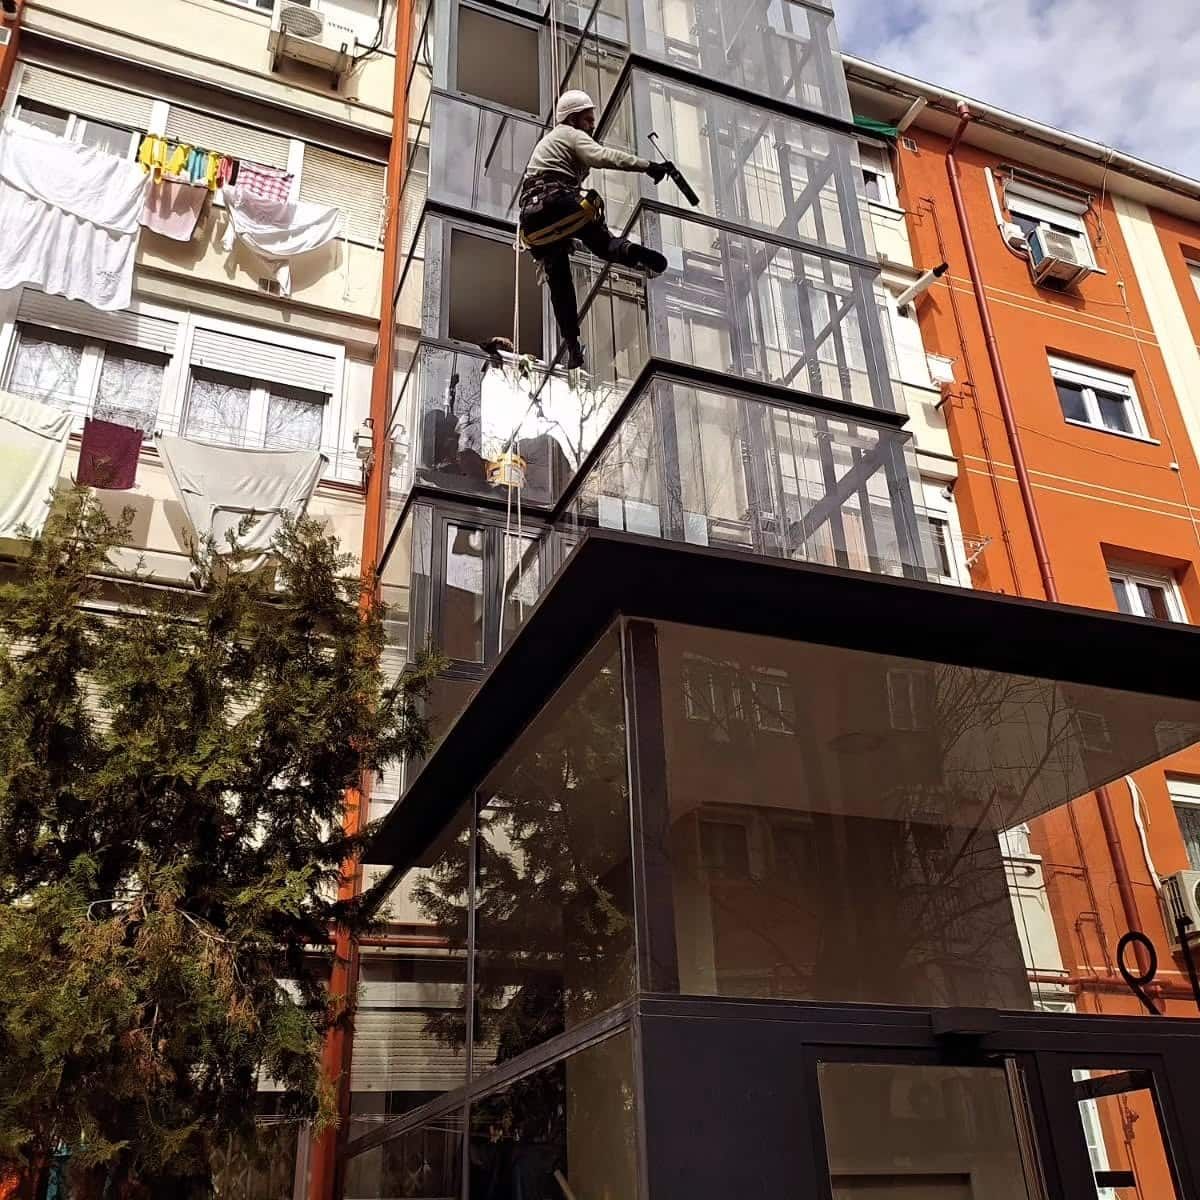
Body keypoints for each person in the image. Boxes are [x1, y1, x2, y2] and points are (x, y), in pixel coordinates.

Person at [520, 90, 670, 370]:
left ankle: (573, 346)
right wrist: (648, 166)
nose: (591, 126)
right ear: (573, 118)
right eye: (587, 120)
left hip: (533, 223)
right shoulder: (568, 133)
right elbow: (603, 157)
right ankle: (632, 251)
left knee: (560, 284)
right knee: (599, 235)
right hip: (557, 202)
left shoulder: (549, 148)